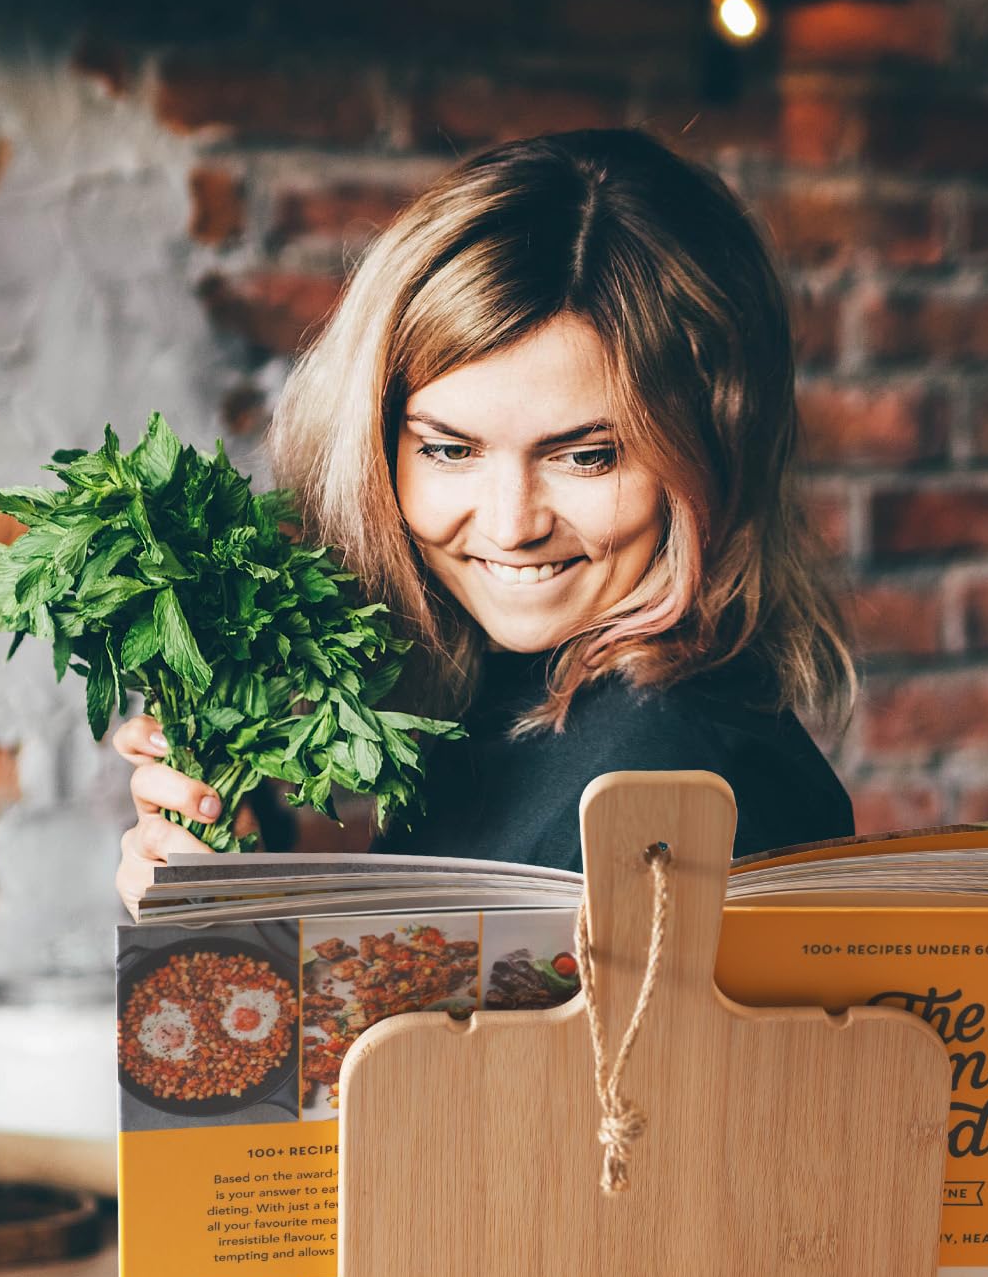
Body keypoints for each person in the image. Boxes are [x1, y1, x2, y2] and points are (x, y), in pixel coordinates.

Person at [114, 127, 855, 898]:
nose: (511, 526)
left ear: (715, 450)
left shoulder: (665, 792)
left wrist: (227, 938)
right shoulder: (511, 693)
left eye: (586, 456)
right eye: (448, 449)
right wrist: (234, 878)